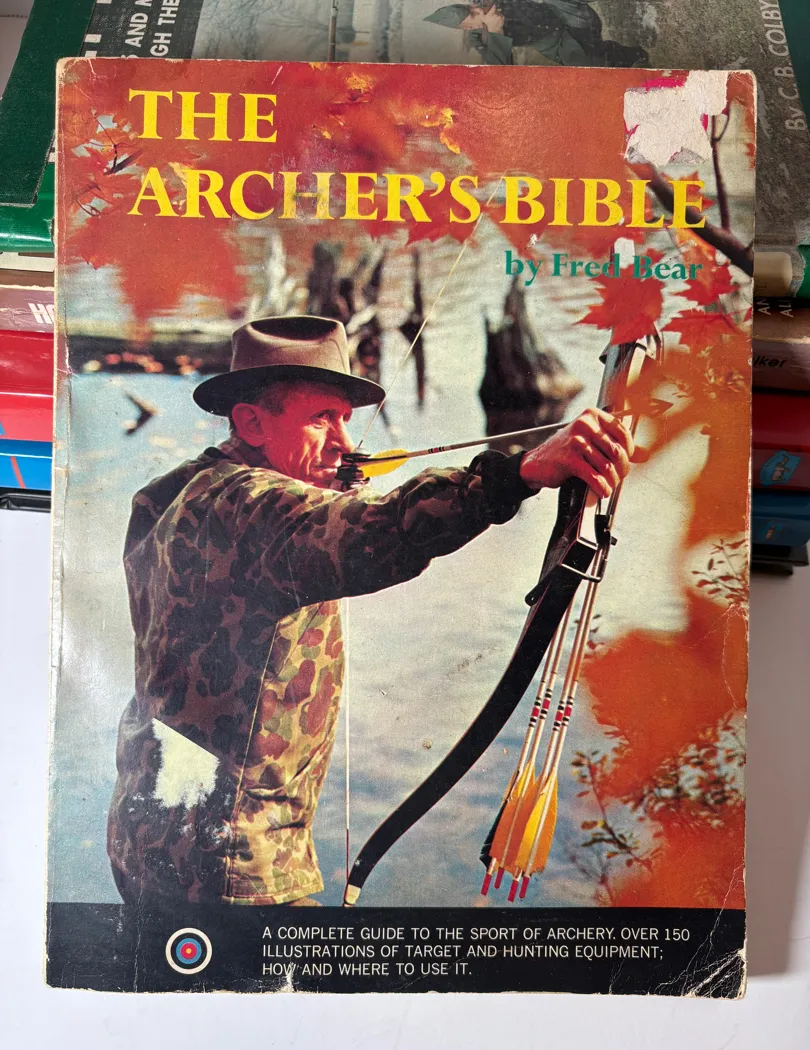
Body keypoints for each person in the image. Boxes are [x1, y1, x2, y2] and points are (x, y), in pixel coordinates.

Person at [108, 316, 638, 906]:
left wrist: (320, 486)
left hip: (149, 839)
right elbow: (376, 530)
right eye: (320, 418)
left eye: (345, 418)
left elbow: (297, 530)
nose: (343, 441)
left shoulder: (173, 491)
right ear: (251, 422)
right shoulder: (246, 506)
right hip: (231, 866)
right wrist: (520, 472)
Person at [424, 1, 648, 67]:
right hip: (557, 44)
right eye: (473, 16)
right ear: (467, 28)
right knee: (589, 64)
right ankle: (631, 56)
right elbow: (500, 70)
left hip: (564, 11)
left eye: (472, 8)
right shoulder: (479, 38)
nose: (478, 11)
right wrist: (496, 31)